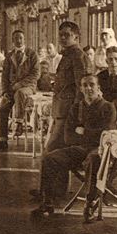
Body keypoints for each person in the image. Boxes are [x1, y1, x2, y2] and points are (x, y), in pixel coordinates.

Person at [30, 74, 116, 219]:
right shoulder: (77, 108)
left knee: (93, 160)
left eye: (92, 85)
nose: (88, 88)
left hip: (99, 150)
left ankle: (89, 204)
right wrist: (89, 134)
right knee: (49, 158)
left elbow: (105, 135)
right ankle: (47, 202)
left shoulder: (108, 107)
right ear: (81, 89)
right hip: (78, 149)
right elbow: (68, 137)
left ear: (98, 87)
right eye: (85, 85)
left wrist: (83, 131)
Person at [0, 30, 39, 152]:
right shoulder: (9, 56)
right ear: (13, 41)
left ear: (24, 40)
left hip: (28, 87)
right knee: (2, 107)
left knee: (20, 93)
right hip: (12, 88)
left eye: (21, 38)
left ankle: (18, 123)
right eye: (16, 38)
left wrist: (20, 84)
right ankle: (2, 141)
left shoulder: (32, 54)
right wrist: (4, 92)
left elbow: (36, 74)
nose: (19, 40)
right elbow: (4, 76)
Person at [46, 21, 87, 152]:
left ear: (76, 37)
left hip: (68, 111)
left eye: (67, 35)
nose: (63, 38)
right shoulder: (67, 55)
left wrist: (76, 113)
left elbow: (82, 88)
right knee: (57, 152)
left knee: (51, 149)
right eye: (60, 35)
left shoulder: (77, 56)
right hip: (61, 109)